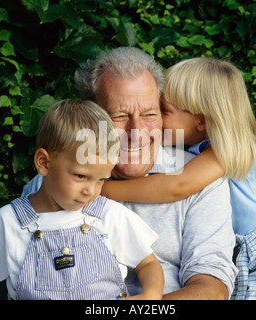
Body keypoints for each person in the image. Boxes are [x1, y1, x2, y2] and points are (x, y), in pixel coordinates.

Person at [101, 57, 256, 300]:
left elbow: (177, 186)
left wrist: (104, 190)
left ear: (202, 121)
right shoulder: (198, 149)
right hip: (254, 255)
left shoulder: (227, 150)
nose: (157, 121)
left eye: (163, 111)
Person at [23, 47, 238, 299]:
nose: (136, 131)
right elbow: (30, 277)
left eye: (149, 114)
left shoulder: (200, 179)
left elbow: (211, 290)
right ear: (91, 116)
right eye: (119, 115)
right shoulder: (53, 184)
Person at [0, 99, 164, 300]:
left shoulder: (108, 216)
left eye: (101, 179)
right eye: (81, 176)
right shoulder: (11, 222)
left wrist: (151, 295)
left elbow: (148, 263)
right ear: (44, 163)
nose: (91, 191)